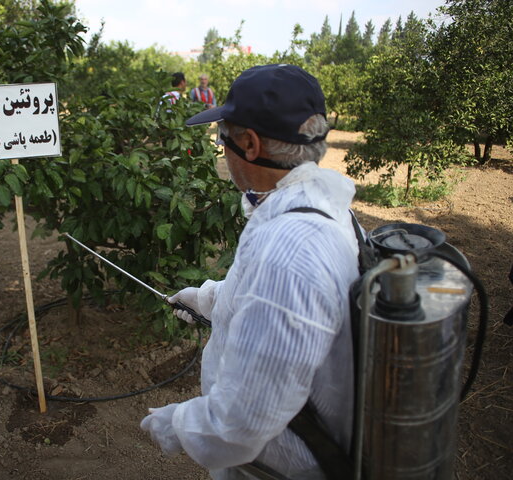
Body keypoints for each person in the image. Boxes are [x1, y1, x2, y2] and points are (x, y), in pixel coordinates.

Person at [140, 64, 361, 480]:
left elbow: (242, 422)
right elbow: (276, 302)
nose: (223, 150)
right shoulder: (320, 207)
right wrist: (208, 298)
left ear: (249, 143)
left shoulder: (289, 250)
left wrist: (175, 425)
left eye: (224, 138)